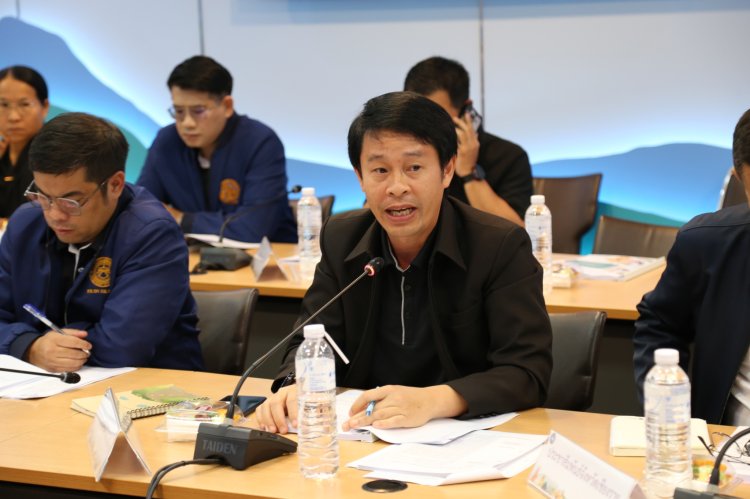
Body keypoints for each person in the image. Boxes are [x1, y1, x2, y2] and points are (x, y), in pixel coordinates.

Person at [256, 91, 551, 433]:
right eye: (380, 170)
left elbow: (527, 373)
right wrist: (295, 384)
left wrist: (434, 401)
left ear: (447, 170)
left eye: (414, 168)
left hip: (468, 438)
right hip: (361, 433)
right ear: (360, 177)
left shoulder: (498, 245)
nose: (396, 187)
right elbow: (310, 338)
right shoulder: (341, 238)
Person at [0, 112, 203, 373]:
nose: (54, 214)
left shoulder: (152, 234)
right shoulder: (25, 223)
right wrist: (30, 346)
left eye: (71, 201)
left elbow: (123, 347)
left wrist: (41, 343)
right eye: (42, 195)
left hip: (146, 386)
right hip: (46, 384)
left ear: (115, 184)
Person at [633, 108, 750, 425]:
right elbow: (660, 324)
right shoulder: (707, 242)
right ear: (739, 179)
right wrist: (668, 410)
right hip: (728, 440)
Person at [137, 55, 296, 242]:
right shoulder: (167, 142)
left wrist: (181, 219)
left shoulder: (260, 142)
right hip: (190, 256)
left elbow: (253, 228)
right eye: (179, 111)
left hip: (270, 257)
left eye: (198, 111)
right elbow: (140, 211)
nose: (187, 123)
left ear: (227, 106)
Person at [404, 56, 532, 226]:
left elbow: (517, 232)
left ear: (466, 109)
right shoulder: (403, 155)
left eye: (435, 116)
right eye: (416, 115)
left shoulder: (509, 157)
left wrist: (469, 173)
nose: (423, 126)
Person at [0, 66, 49, 225]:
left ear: (44, 107)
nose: (13, 117)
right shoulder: (3, 152)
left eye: (24, 104)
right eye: (4, 105)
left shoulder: (56, 154)